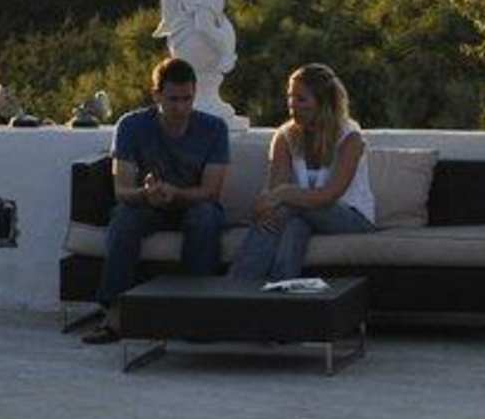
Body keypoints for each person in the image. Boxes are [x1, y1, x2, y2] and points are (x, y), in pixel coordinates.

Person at [81, 56, 231, 345]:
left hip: (193, 203)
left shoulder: (214, 128)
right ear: (156, 95)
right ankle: (115, 315)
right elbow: (122, 190)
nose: (181, 108)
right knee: (124, 219)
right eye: (173, 99)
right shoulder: (131, 126)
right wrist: (146, 194)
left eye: (187, 99)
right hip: (147, 204)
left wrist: (176, 193)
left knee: (205, 218)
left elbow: (211, 191)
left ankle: (195, 314)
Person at [229, 63, 374, 282]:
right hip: (302, 213)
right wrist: (267, 204)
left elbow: (328, 195)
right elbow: (274, 191)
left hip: (351, 217)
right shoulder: (285, 136)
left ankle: (236, 285)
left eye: (301, 99)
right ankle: (280, 290)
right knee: (294, 225)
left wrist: (282, 195)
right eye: (290, 97)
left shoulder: (350, 138)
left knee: (288, 206)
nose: (292, 104)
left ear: (322, 102)